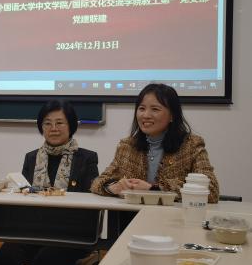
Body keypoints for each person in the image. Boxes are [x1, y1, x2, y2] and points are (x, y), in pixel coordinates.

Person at [0, 100, 99, 265]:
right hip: (34, 231)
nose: (53, 128)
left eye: (60, 123)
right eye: (47, 123)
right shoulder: (32, 158)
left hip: (72, 235)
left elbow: (91, 200)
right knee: (4, 260)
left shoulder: (86, 158)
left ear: (71, 125)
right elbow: (24, 194)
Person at [91, 83, 219, 202]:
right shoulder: (127, 146)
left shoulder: (191, 145)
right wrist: (114, 187)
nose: (146, 115)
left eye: (155, 109)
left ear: (172, 115)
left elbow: (212, 190)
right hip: (132, 215)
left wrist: (153, 189)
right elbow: (97, 183)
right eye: (142, 108)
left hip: (172, 216)